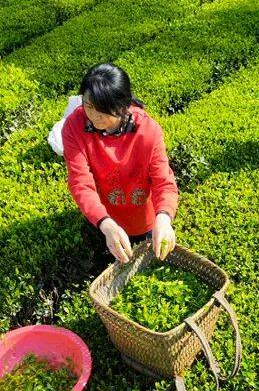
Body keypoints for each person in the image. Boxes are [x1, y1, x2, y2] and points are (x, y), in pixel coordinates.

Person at [60, 63, 179, 264]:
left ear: (124, 105)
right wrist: (104, 223)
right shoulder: (74, 127)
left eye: (103, 110)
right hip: (102, 216)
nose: (94, 116)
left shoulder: (148, 131)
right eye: (88, 106)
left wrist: (164, 218)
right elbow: (80, 182)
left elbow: (163, 181)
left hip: (144, 216)